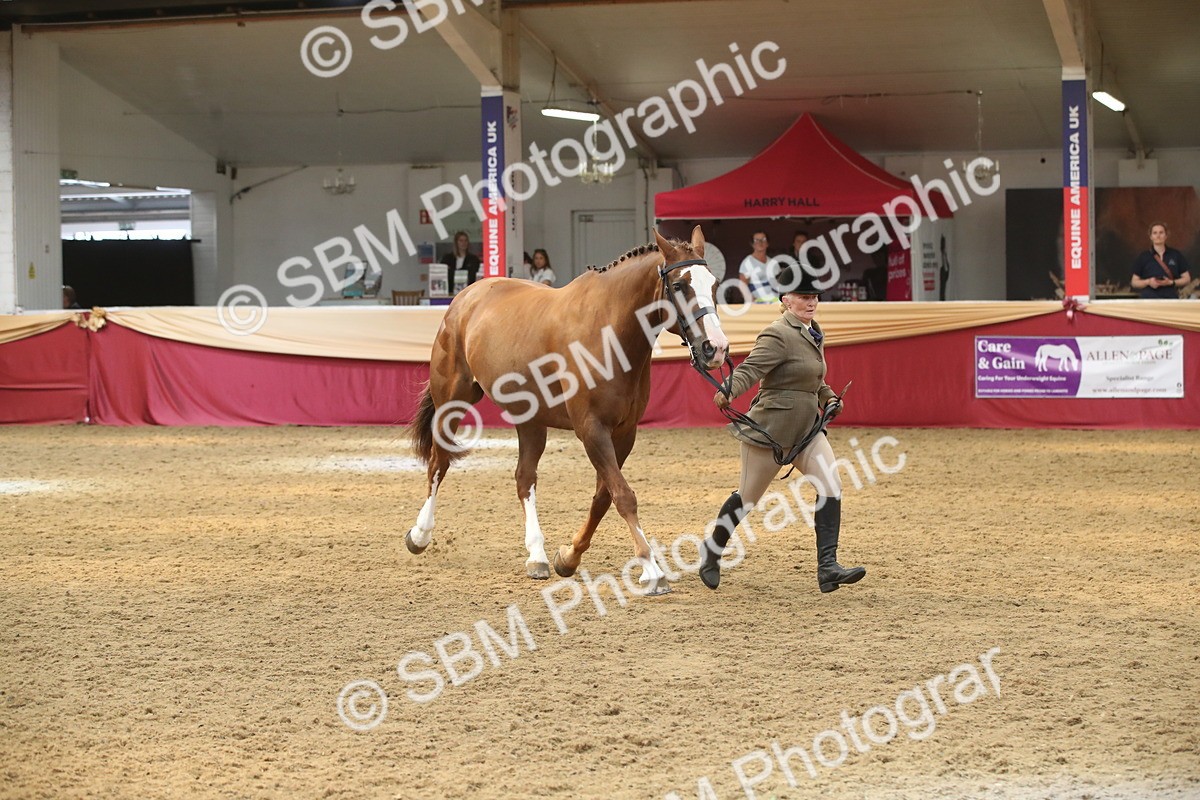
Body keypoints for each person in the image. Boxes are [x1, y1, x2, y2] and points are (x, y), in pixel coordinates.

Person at [700, 264, 866, 593]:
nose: (811, 301)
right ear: (786, 300)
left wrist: (829, 396)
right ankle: (711, 550)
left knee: (831, 485)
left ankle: (827, 567)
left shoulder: (814, 331)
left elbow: (814, 379)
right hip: (770, 432)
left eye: (814, 296)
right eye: (804, 296)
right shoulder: (778, 333)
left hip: (807, 431)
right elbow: (751, 369)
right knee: (747, 499)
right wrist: (728, 390)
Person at [1131, 222, 1192, 299]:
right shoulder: (1143, 256)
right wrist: (1148, 282)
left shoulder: (1176, 255)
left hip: (1170, 299)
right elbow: (1134, 282)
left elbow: (1187, 279)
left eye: (1161, 232)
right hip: (1149, 299)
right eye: (1155, 233)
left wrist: (1171, 282)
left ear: (1166, 236)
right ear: (1151, 237)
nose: (1158, 236)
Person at [739, 231, 776, 303]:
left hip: (774, 303)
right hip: (756, 304)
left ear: (767, 243)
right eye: (756, 240)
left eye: (763, 239)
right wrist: (752, 300)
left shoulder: (773, 263)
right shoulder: (747, 263)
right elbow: (742, 286)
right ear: (752, 244)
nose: (760, 242)